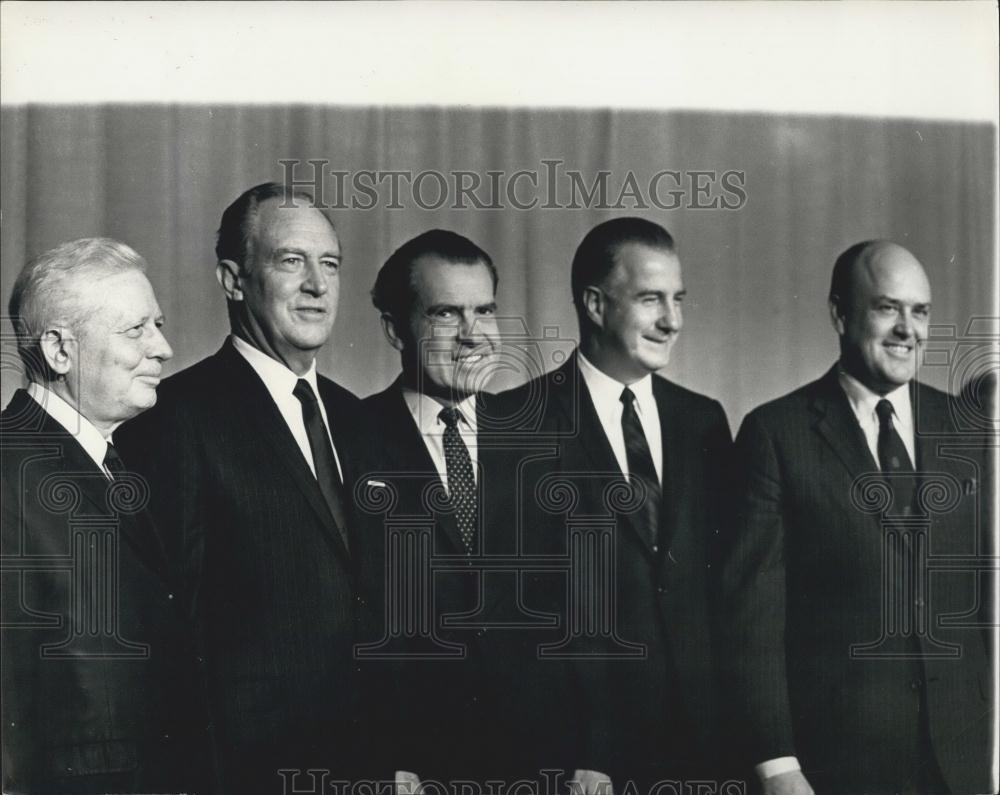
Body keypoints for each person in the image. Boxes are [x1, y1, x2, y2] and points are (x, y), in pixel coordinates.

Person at [115, 183, 378, 794]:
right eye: (292, 261)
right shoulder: (173, 418)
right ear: (234, 280)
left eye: (330, 263)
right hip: (245, 773)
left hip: (365, 766)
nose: (317, 284)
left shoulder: (359, 418)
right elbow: (165, 635)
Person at [722, 240, 994, 794]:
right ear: (840, 313)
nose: (907, 329)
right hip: (837, 767)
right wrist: (778, 765)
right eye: (887, 308)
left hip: (963, 761)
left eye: (920, 312)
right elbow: (751, 621)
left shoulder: (968, 430)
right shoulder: (777, 434)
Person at [499, 217, 733, 793]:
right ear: (596, 305)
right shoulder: (515, 424)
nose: (672, 320)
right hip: (586, 760)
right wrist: (580, 748)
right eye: (651, 298)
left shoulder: (703, 421)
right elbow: (518, 614)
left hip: (707, 748)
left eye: (678, 299)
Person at [362, 229, 578, 789]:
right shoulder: (349, 439)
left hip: (544, 762)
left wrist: (591, 750)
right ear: (395, 329)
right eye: (444, 314)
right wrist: (386, 758)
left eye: (485, 311)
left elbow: (584, 606)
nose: (473, 336)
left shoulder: (542, 437)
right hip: (416, 766)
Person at [1, 238, 209, 793]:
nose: (164, 348)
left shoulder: (118, 462)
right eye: (135, 329)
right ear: (59, 351)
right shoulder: (7, 475)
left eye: (158, 324)